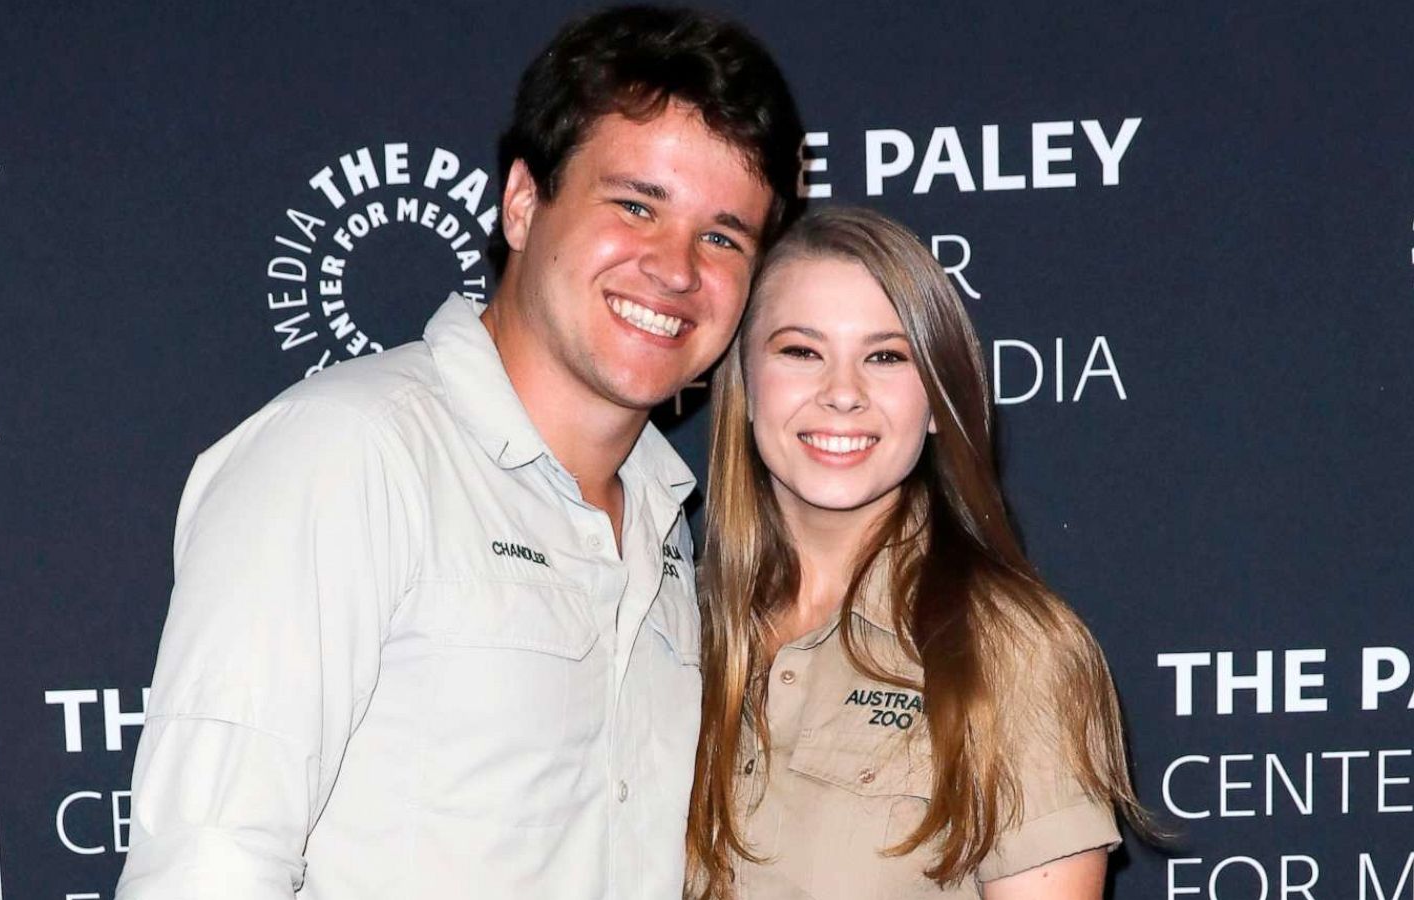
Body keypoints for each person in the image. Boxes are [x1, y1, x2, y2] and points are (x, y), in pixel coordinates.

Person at [114, 7, 803, 900]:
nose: (675, 269)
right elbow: (208, 866)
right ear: (523, 203)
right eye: (635, 205)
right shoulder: (349, 455)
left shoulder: (669, 533)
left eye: (721, 236)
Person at [685, 207, 1151, 899]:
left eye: (886, 356)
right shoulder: (663, 622)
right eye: (801, 351)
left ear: (938, 398)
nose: (842, 393)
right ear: (745, 387)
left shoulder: (1011, 649)